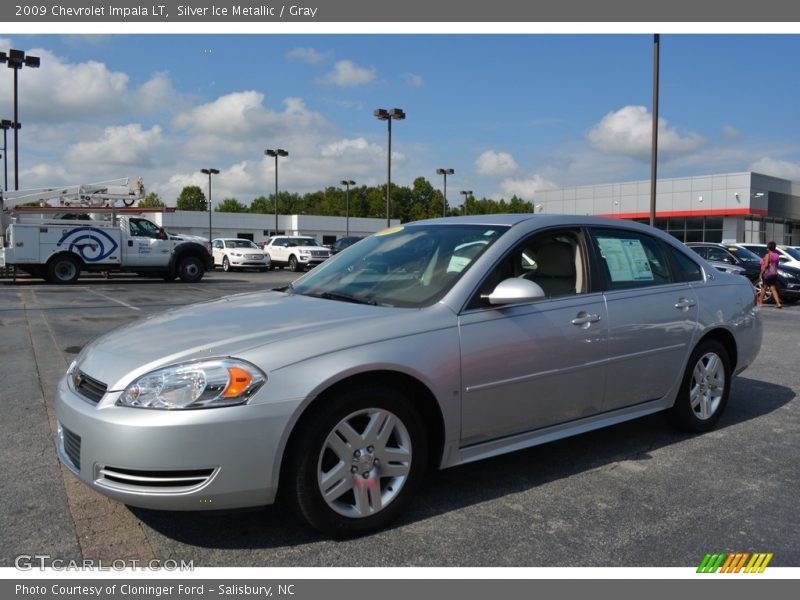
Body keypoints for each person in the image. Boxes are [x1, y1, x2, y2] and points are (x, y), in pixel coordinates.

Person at [758, 241, 783, 308]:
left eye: (767, 247)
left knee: (763, 288)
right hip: (774, 273)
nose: (766, 249)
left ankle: (760, 302)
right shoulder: (777, 255)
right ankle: (778, 303)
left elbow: (765, 265)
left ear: (769, 248)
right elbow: (776, 265)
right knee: (773, 288)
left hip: (767, 274)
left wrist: (761, 273)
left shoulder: (768, 255)